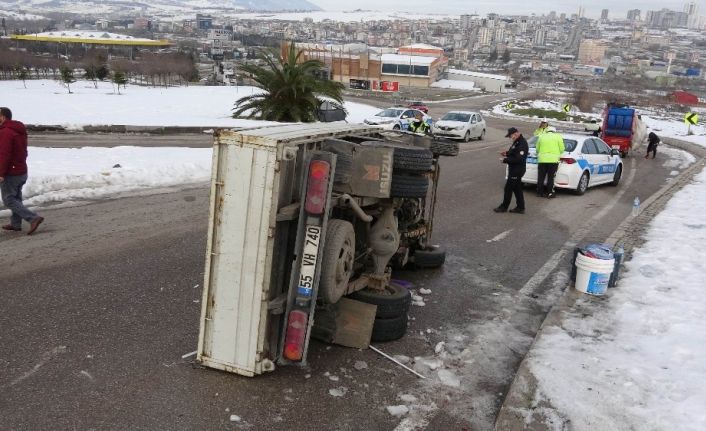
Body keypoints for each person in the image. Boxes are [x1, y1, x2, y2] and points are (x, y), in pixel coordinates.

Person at [0, 107, 44, 235]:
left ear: (3, 117)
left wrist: (1, 173)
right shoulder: (18, 130)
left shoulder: (6, 132)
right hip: (21, 170)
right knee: (16, 198)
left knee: (9, 199)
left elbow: (4, 154)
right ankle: (15, 224)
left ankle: (33, 218)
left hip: (11, 172)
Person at [494, 127, 528, 214]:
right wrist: (506, 153)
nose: (510, 138)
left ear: (516, 133)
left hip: (517, 170)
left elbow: (518, 159)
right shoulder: (516, 142)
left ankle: (504, 207)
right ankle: (520, 207)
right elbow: (513, 152)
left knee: (508, 188)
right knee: (517, 188)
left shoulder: (522, 143)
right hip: (514, 169)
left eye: (510, 136)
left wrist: (505, 160)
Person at [535, 126, 565, 198]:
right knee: (551, 178)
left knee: (541, 177)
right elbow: (562, 149)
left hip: (542, 160)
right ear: (554, 131)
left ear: (547, 131)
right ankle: (550, 193)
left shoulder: (541, 136)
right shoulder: (558, 137)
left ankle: (539, 192)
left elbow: (537, 149)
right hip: (553, 161)